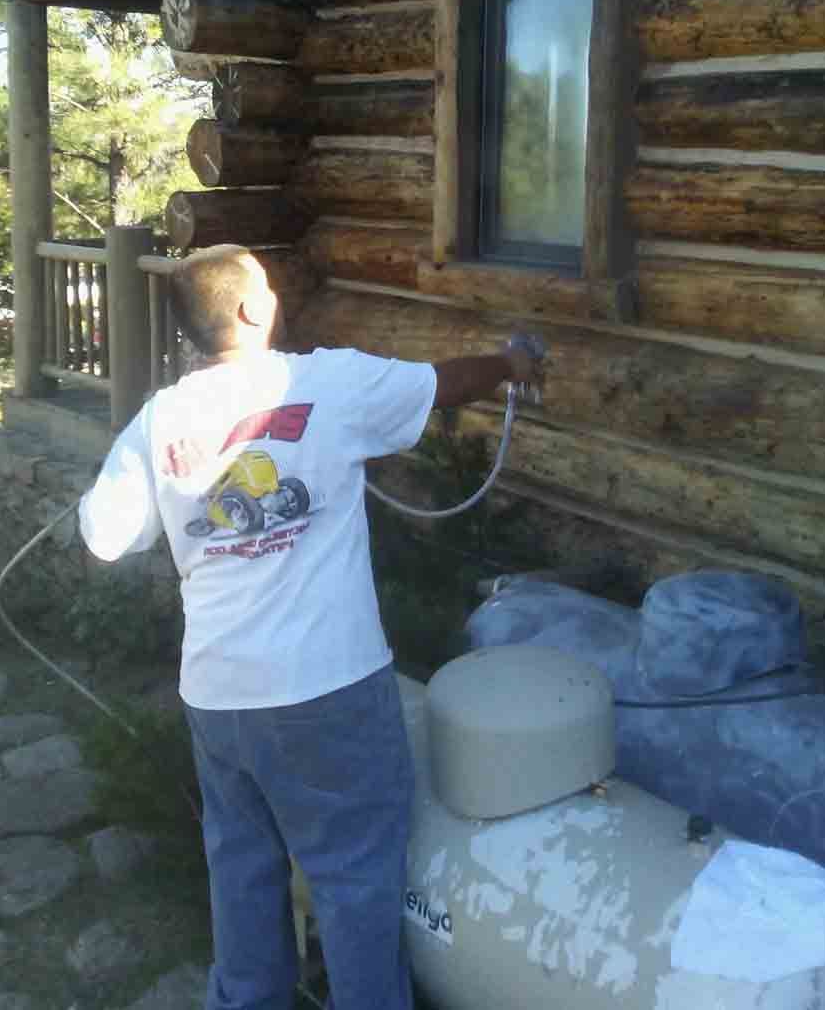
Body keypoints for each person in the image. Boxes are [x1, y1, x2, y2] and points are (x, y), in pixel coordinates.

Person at [79, 244, 541, 1010]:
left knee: (242, 869)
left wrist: (155, 465)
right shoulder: (326, 381)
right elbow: (442, 384)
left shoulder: (160, 418)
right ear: (253, 309)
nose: (275, 291)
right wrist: (509, 363)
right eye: (265, 282)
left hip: (219, 701)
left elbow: (103, 536)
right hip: (328, 692)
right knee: (356, 878)